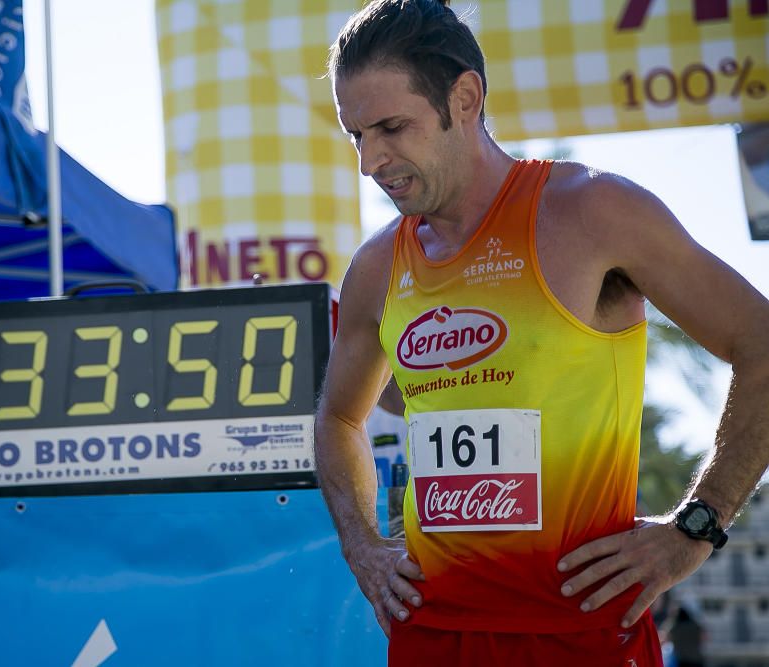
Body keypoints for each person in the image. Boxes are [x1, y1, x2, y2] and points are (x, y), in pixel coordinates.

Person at [312, 1, 769, 664]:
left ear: (465, 98)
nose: (370, 161)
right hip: (435, 633)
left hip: (580, 630)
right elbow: (338, 419)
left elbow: (759, 343)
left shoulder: (593, 211)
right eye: (357, 135)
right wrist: (362, 547)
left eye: (391, 127)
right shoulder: (378, 266)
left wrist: (696, 526)